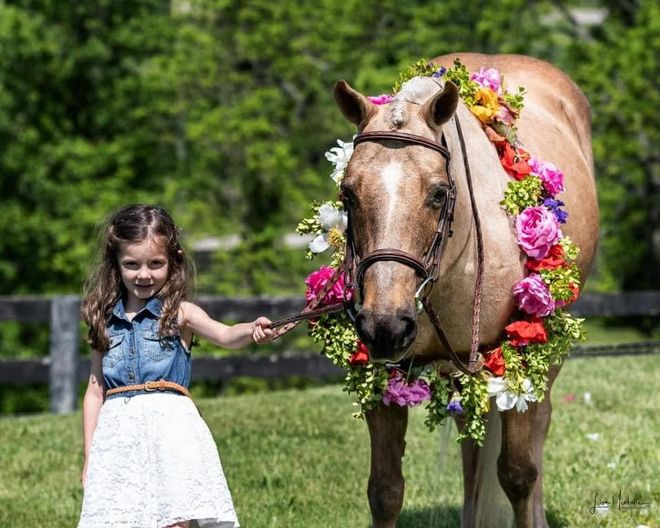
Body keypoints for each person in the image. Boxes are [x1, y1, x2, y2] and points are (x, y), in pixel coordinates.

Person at [78, 204, 274, 528]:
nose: (144, 274)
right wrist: (90, 457)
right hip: (119, 439)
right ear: (116, 263)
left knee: (174, 519)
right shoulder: (103, 321)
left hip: (171, 434)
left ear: (172, 261)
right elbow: (95, 391)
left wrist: (252, 330)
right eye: (132, 264)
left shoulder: (180, 313)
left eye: (156, 264)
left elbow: (225, 335)